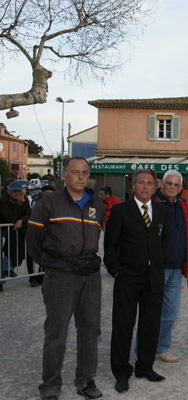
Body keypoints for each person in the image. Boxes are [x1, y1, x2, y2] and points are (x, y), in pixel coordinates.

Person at [27, 157, 105, 400]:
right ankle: (50, 387)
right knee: (56, 332)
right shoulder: (48, 203)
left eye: (84, 172)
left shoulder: (97, 203)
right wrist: (52, 264)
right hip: (60, 275)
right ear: (64, 175)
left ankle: (85, 381)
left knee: (90, 330)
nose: (81, 177)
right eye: (75, 172)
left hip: (90, 275)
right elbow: (33, 241)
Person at [104, 169, 170, 393]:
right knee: (123, 325)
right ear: (133, 186)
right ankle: (122, 372)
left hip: (153, 278)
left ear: (155, 187)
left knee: (150, 325)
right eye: (140, 183)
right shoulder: (121, 211)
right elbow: (110, 245)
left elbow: (165, 242)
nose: (144, 187)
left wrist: (157, 264)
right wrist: (116, 271)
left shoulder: (162, 211)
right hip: (128, 278)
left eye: (149, 183)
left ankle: (145, 366)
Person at [150, 170, 188, 363]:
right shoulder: (151, 203)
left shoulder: (183, 206)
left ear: (181, 188)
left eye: (176, 185)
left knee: (170, 313)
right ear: (161, 184)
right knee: (151, 312)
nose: (172, 187)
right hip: (156, 268)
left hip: (175, 269)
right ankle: (144, 349)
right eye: (169, 183)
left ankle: (161, 347)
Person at [0, 180, 31, 291]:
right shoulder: (3, 201)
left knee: (14, 246)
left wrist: (21, 221)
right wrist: (18, 205)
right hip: (3, 226)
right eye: (14, 192)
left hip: (14, 228)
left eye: (19, 191)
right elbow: (10, 218)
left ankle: (8, 268)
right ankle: (2, 277)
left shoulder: (24, 200)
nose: (17, 194)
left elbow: (28, 213)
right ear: (9, 192)